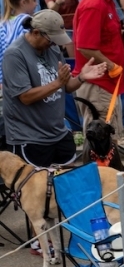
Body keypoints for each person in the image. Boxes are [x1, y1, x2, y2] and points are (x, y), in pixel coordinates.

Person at [2, 10, 106, 167]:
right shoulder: (15, 55)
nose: (54, 45)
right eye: (51, 40)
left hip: (58, 133)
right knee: (38, 190)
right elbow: (25, 97)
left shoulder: (53, 50)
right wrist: (57, 83)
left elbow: (67, 86)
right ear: (36, 32)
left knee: (69, 183)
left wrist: (81, 77)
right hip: (30, 138)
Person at [74, 0, 124, 138]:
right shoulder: (94, 3)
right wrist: (111, 65)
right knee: (102, 142)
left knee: (108, 140)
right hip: (99, 85)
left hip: (106, 84)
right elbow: (85, 46)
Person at [0, 0, 38, 87]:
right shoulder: (27, 21)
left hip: (7, 80)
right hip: (26, 78)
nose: (37, 4)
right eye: (34, 0)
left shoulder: (3, 24)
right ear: (23, 2)